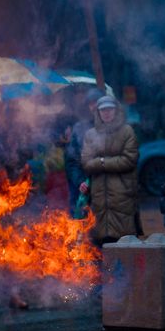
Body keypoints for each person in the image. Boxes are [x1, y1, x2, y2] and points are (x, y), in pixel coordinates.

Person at [80, 95, 139, 245]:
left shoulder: (127, 131)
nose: (106, 113)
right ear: (98, 112)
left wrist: (101, 162)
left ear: (116, 110)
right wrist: (110, 162)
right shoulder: (91, 134)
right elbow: (86, 162)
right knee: (99, 246)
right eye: (103, 110)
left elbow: (129, 160)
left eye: (110, 109)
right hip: (98, 199)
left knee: (123, 244)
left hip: (122, 197)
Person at [65, 88, 103, 218]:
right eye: (91, 103)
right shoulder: (80, 128)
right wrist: (80, 181)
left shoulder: (116, 128)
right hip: (87, 189)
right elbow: (72, 161)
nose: (94, 106)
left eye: (97, 102)